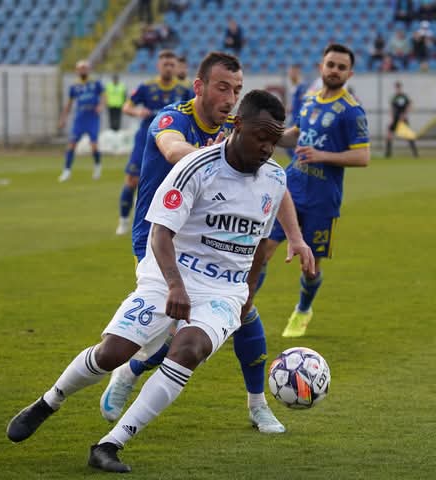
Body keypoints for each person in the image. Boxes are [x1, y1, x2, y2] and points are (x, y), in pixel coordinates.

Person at [6, 90, 296, 473]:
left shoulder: (274, 177)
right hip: (169, 271)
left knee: (189, 350)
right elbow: (160, 233)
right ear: (238, 125)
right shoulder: (196, 167)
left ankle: (110, 444)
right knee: (113, 353)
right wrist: (175, 285)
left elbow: (258, 246)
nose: (268, 148)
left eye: (274, 140)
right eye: (261, 137)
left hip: (224, 290)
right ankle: (49, 401)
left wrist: (248, 294)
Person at [102, 52, 314, 434]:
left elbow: (275, 182)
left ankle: (258, 405)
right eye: (222, 88)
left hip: (213, 243)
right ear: (199, 87)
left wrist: (296, 237)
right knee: (172, 331)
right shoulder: (173, 118)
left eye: (236, 90)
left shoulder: (236, 128)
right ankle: (129, 370)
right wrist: (216, 157)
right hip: (160, 240)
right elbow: (173, 149)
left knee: (243, 313)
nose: (230, 98)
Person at [267, 43, 371, 338]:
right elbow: (294, 136)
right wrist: (267, 133)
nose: (335, 70)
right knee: (262, 251)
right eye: (331, 65)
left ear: (349, 74)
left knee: (309, 267)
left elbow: (363, 156)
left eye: (341, 67)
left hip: (323, 199)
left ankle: (303, 309)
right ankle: (242, 311)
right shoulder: (310, 99)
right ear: (321, 67)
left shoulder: (352, 111)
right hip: (291, 188)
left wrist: (322, 155)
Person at [116, 50, 191, 236]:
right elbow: (126, 107)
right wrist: (137, 112)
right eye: (165, 64)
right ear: (158, 66)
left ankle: (166, 225)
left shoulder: (184, 89)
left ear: (176, 67)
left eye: (172, 65)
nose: (168, 68)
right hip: (145, 139)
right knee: (132, 180)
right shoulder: (146, 87)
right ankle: (123, 220)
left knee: (168, 182)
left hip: (172, 141)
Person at [57, 60, 105, 183]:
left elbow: (104, 96)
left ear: (88, 70)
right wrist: (63, 119)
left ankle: (97, 166)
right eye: (81, 68)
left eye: (85, 68)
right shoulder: (74, 86)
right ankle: (67, 171)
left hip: (92, 117)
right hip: (80, 118)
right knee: (71, 144)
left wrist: (101, 106)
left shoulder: (95, 83)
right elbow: (69, 104)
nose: (83, 70)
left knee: (94, 145)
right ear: (77, 71)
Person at [385, 81, 418, 158]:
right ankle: (388, 153)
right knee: (389, 134)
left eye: (399, 87)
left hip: (403, 119)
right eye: (396, 87)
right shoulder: (394, 97)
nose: (397, 89)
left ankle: (415, 153)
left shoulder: (404, 97)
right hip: (395, 119)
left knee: (409, 136)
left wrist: (405, 114)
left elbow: (410, 106)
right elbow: (391, 109)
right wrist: (392, 119)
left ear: (401, 88)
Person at [286, 64, 309, 159]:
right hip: (293, 119)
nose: (290, 75)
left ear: (297, 73)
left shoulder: (302, 87)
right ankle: (298, 161)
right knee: (290, 146)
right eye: (289, 72)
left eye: (292, 72)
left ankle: (300, 161)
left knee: (292, 144)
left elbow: (305, 102)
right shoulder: (294, 87)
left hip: (298, 120)